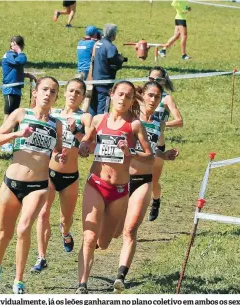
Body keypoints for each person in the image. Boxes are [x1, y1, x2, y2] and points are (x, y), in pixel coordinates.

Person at [0, 76, 67, 294]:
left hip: (39, 186)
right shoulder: (21, 114)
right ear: (36, 93)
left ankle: (19, 281)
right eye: (45, 90)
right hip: (12, 183)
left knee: (24, 229)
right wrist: (17, 133)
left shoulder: (56, 124)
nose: (48, 94)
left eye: (53, 91)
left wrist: (59, 157)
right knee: (4, 233)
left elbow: (57, 150)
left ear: (56, 97)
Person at [75, 81, 154, 294]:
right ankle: (82, 285)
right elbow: (88, 143)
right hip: (96, 184)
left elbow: (149, 157)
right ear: (111, 94)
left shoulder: (135, 125)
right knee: (89, 238)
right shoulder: (99, 120)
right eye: (120, 94)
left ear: (131, 101)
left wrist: (130, 152)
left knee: (105, 242)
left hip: (119, 192)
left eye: (128, 96)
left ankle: (96, 247)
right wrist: (83, 148)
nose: (123, 99)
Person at [112, 81, 179, 294]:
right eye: (150, 95)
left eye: (157, 97)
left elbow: (151, 151)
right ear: (142, 95)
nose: (153, 100)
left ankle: (121, 276)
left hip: (143, 180)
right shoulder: (130, 118)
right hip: (121, 179)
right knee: (112, 232)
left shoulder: (158, 123)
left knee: (130, 230)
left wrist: (164, 155)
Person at [31, 78, 92, 272]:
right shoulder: (52, 114)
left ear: (83, 97)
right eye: (71, 91)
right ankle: (41, 257)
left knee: (66, 219)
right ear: (64, 93)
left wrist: (75, 131)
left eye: (78, 92)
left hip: (69, 177)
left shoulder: (85, 118)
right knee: (43, 212)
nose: (74, 95)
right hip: (48, 173)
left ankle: (65, 233)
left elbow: (88, 147)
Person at [148, 66, 183, 221]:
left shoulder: (166, 98)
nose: (154, 82)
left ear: (163, 80)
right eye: (151, 79)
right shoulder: (143, 95)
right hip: (140, 144)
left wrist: (163, 124)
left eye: (158, 79)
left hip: (158, 146)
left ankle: (156, 201)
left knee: (153, 181)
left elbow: (179, 121)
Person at [1, 36, 36, 154]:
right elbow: (20, 61)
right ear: (11, 44)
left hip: (17, 90)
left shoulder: (15, 56)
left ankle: (12, 140)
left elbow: (15, 70)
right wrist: (20, 51)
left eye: (18, 45)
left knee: (15, 116)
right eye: (14, 44)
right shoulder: (9, 55)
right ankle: (4, 142)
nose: (16, 46)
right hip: (10, 90)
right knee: (9, 116)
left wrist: (26, 75)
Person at [90, 24, 128, 117]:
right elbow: (113, 61)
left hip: (94, 80)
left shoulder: (98, 44)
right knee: (103, 110)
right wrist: (121, 60)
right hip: (105, 82)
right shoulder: (110, 47)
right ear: (113, 34)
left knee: (92, 107)